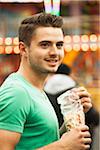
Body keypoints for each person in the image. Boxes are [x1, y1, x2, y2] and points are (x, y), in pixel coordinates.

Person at [0, 13, 92, 150]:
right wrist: (63, 146)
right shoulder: (16, 93)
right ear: (23, 49)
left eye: (59, 45)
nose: (54, 52)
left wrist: (73, 115)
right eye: (45, 45)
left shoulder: (35, 89)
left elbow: (45, 141)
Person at [44, 63, 99, 149]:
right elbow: (94, 118)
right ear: (69, 74)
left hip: (53, 143)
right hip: (78, 141)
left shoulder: (43, 91)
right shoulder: (76, 90)